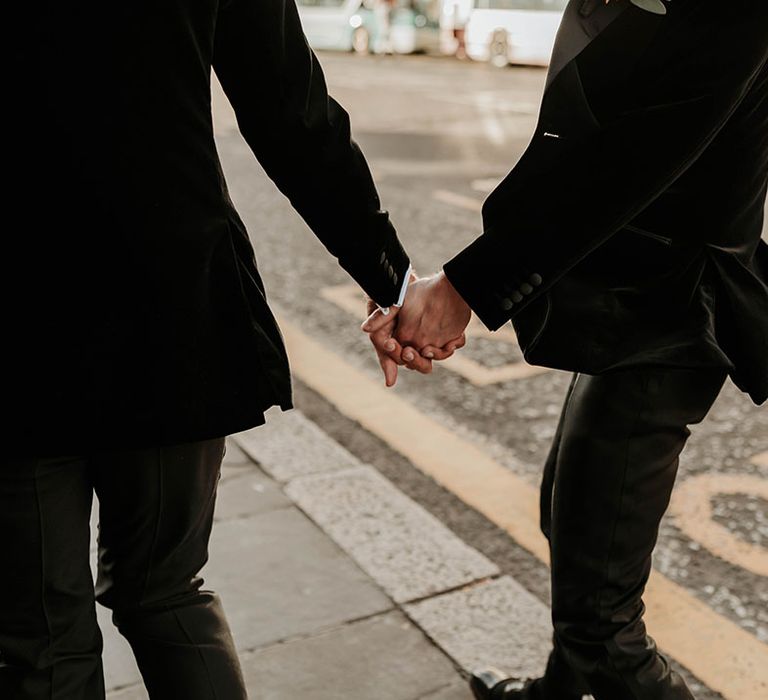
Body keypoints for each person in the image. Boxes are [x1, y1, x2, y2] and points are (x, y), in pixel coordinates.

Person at [2, 1, 454, 698]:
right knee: (164, 591)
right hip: (169, 298)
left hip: (21, 315)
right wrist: (391, 279)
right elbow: (293, 116)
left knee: (40, 630)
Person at [364, 0, 768, 698]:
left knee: (600, 616)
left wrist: (464, 288)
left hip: (675, 309)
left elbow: (635, 155)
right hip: (633, 304)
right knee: (572, 512)